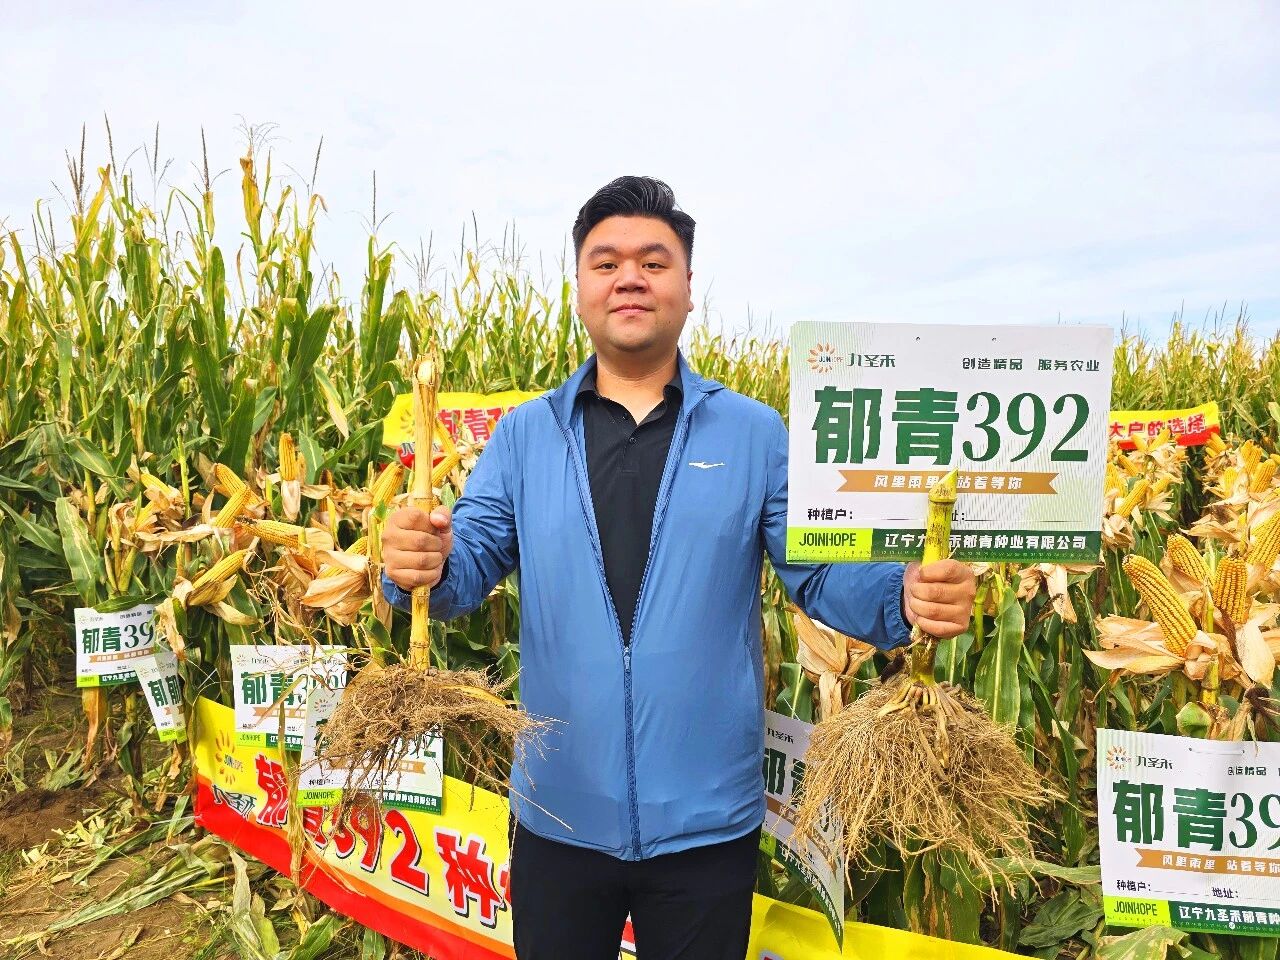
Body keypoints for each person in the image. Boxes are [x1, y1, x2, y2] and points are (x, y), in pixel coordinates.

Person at [381, 176, 977, 960]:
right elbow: (467, 565)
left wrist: (904, 595)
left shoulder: (755, 434)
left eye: (654, 262)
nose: (630, 278)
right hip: (557, 813)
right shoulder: (525, 436)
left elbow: (821, 574)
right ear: (579, 289)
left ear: (689, 288)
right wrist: (418, 563)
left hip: (707, 824)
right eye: (606, 263)